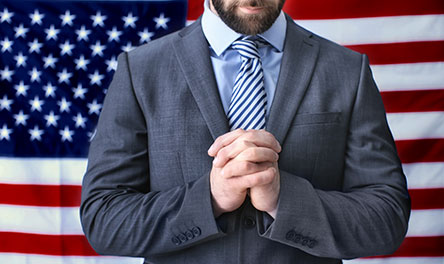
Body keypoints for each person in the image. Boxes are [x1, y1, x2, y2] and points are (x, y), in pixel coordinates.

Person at [80, 0, 411, 262]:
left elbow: (387, 218)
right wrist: (208, 199)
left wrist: (284, 200)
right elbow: (104, 220)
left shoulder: (347, 71)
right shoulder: (140, 71)